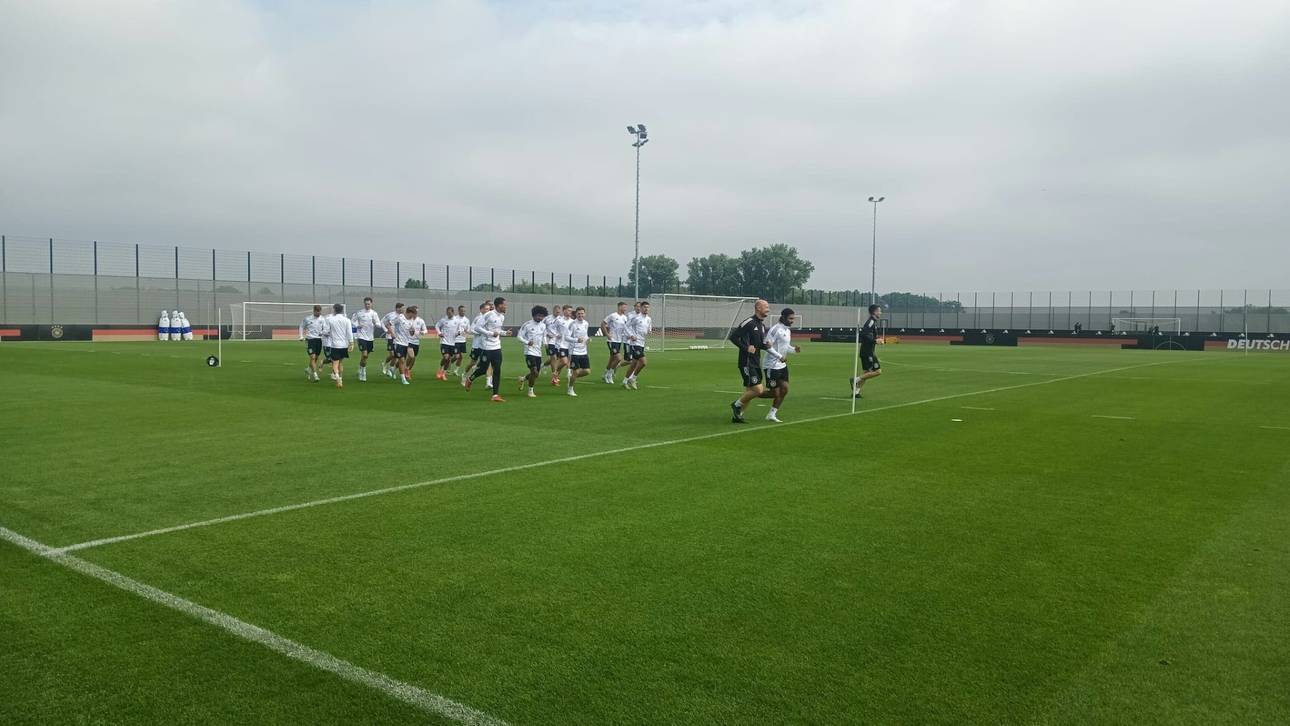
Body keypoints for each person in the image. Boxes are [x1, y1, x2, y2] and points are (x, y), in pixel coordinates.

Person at [728, 299, 771, 423]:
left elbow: (758, 344)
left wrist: (766, 345)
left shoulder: (762, 325)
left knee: (750, 391)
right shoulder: (749, 322)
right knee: (758, 390)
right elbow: (733, 337)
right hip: (746, 361)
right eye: (766, 307)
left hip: (756, 361)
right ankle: (736, 405)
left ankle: (738, 416)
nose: (768, 309)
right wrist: (745, 348)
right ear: (758, 308)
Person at [464, 296, 509, 402]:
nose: (506, 307)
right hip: (486, 347)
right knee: (483, 369)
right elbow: (477, 328)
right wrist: (490, 333)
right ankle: (470, 378)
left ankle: (495, 395)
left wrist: (504, 333)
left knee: (497, 370)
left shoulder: (502, 317)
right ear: (499, 305)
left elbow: (497, 330)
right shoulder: (488, 315)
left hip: (497, 347)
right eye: (505, 305)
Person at [762, 308, 801, 422]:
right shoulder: (775, 329)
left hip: (782, 366)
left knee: (784, 389)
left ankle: (772, 414)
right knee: (774, 393)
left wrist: (794, 350)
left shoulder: (787, 330)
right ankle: (752, 394)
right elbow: (767, 346)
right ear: (783, 317)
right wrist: (780, 357)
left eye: (793, 318)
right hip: (771, 366)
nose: (792, 321)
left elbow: (786, 347)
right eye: (790, 318)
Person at [851, 304, 884, 398]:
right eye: (879, 311)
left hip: (866, 351)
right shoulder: (870, 322)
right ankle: (856, 379)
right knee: (878, 371)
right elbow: (864, 334)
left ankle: (856, 392)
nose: (880, 313)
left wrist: (877, 339)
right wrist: (875, 340)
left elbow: (869, 335)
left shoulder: (873, 322)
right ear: (874, 312)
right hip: (868, 352)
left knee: (866, 373)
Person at [516, 305, 548, 398]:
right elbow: (519, 336)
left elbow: (544, 336)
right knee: (534, 371)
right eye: (538, 315)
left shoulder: (543, 325)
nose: (540, 318)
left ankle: (523, 378)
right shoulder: (527, 325)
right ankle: (530, 391)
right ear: (533, 315)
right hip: (529, 352)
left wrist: (545, 343)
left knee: (536, 374)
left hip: (538, 352)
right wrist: (527, 342)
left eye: (542, 316)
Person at [322, 302, 355, 388]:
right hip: (344, 345)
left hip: (335, 345)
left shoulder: (330, 320)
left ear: (334, 310)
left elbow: (326, 331)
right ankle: (340, 377)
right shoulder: (347, 320)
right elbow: (349, 333)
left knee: (335, 364)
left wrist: (323, 333)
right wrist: (351, 343)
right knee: (341, 363)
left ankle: (337, 378)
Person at [350, 297, 382, 382]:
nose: (367, 305)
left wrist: (376, 323)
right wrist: (357, 325)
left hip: (370, 337)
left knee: (365, 356)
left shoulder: (374, 313)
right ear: (364, 304)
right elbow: (352, 321)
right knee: (364, 354)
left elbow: (379, 324)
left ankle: (360, 367)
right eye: (366, 304)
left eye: (369, 304)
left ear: (371, 304)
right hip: (361, 336)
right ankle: (363, 373)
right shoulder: (359, 312)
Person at [622, 300, 652, 389]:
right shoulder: (636, 318)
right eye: (644, 307)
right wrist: (631, 335)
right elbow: (626, 326)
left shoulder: (648, 319)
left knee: (634, 364)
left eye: (647, 307)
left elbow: (648, 329)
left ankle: (625, 381)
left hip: (642, 343)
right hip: (635, 343)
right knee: (643, 362)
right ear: (641, 308)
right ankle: (633, 378)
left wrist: (649, 331)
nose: (646, 309)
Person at [464, 301, 494, 389]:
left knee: (489, 363)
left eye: (489, 309)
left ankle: (488, 382)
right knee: (472, 362)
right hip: (477, 345)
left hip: (486, 345)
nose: (488, 311)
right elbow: (471, 329)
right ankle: (464, 375)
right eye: (486, 309)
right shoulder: (478, 318)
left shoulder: (489, 318)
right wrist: (480, 332)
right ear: (481, 310)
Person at [601, 301, 630, 383]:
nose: (625, 309)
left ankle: (605, 374)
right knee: (618, 358)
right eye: (624, 307)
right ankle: (609, 375)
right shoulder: (613, 315)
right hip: (612, 340)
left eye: (626, 307)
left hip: (619, 341)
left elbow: (626, 329)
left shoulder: (625, 317)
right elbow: (603, 324)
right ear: (619, 307)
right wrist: (607, 334)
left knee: (612, 359)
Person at [565, 306, 591, 396]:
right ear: (576, 314)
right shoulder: (572, 324)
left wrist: (588, 339)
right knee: (575, 371)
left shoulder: (586, 323)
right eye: (579, 313)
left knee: (587, 371)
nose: (580, 315)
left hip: (583, 351)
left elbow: (585, 335)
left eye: (582, 313)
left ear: (585, 314)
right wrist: (576, 340)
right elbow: (566, 337)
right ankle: (570, 389)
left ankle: (571, 377)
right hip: (574, 352)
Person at [391, 305, 420, 385]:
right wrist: (392, 333)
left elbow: (411, 333)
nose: (414, 316)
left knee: (402, 360)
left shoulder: (411, 321)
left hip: (406, 343)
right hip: (398, 342)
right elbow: (390, 323)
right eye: (413, 314)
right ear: (409, 312)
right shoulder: (400, 318)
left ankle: (392, 369)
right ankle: (403, 379)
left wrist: (412, 331)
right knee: (402, 360)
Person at [300, 304, 328, 382]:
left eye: (320, 312)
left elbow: (325, 329)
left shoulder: (322, 319)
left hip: (319, 340)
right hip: (310, 339)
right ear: (314, 311)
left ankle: (308, 369)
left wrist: (322, 332)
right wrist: (301, 336)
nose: (319, 313)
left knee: (315, 358)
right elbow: (301, 326)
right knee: (312, 357)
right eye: (317, 312)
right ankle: (315, 375)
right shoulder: (308, 319)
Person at [544, 303, 567, 385]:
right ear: (553, 311)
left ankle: (544, 365)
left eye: (559, 312)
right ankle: (554, 376)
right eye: (556, 312)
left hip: (558, 342)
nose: (558, 313)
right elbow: (542, 328)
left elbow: (563, 329)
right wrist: (546, 337)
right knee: (553, 357)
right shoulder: (547, 319)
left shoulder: (561, 319)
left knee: (558, 359)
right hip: (550, 341)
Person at [381, 302, 405, 378]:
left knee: (395, 356)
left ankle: (390, 370)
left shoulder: (403, 316)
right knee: (392, 354)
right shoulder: (390, 315)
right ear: (398, 308)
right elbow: (382, 322)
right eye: (402, 308)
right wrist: (385, 330)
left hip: (398, 338)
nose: (403, 309)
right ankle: (384, 363)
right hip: (390, 337)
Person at [435, 306, 457, 380]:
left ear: (453, 312)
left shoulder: (456, 320)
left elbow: (460, 328)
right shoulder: (443, 320)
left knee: (448, 359)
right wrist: (439, 333)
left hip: (452, 343)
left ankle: (443, 373)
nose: (448, 314)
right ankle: (440, 369)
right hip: (444, 342)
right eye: (447, 313)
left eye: (450, 313)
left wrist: (459, 332)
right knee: (446, 357)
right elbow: (437, 326)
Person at [451, 304, 470, 376]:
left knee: (460, 357)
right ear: (458, 311)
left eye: (464, 311)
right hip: (455, 340)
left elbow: (468, 329)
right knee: (457, 356)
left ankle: (456, 370)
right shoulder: (455, 318)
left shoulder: (466, 320)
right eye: (462, 311)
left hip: (463, 340)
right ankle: (447, 364)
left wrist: (466, 330)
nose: (463, 312)